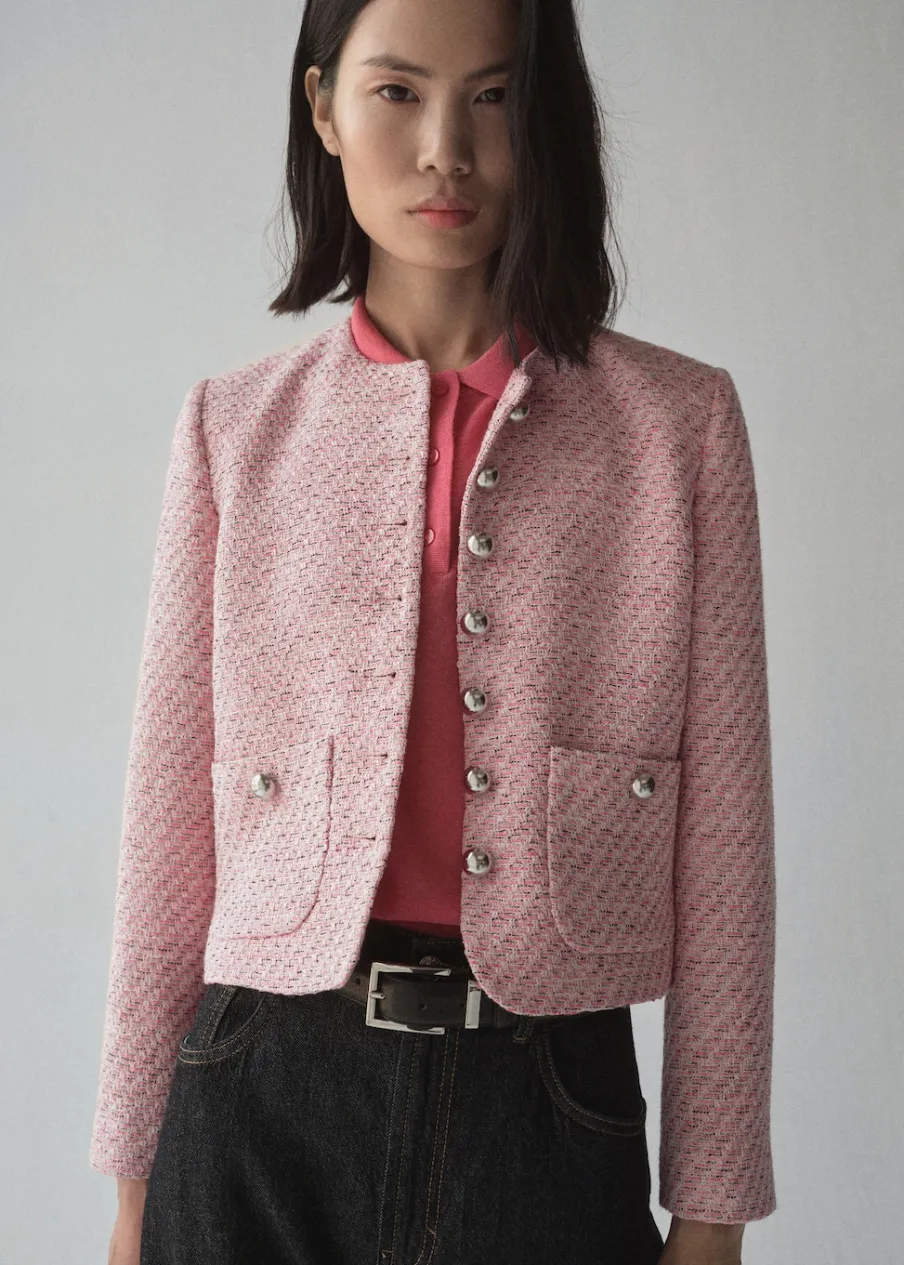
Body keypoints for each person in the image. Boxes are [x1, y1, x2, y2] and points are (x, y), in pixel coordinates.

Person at [91, 1, 776, 1262]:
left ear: (546, 115)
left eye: (494, 97)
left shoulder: (676, 429)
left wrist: (714, 1209)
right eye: (397, 92)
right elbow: (167, 831)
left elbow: (728, 841)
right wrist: (132, 1184)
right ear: (323, 109)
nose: (446, 150)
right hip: (259, 1095)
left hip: (550, 1105)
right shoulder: (235, 431)